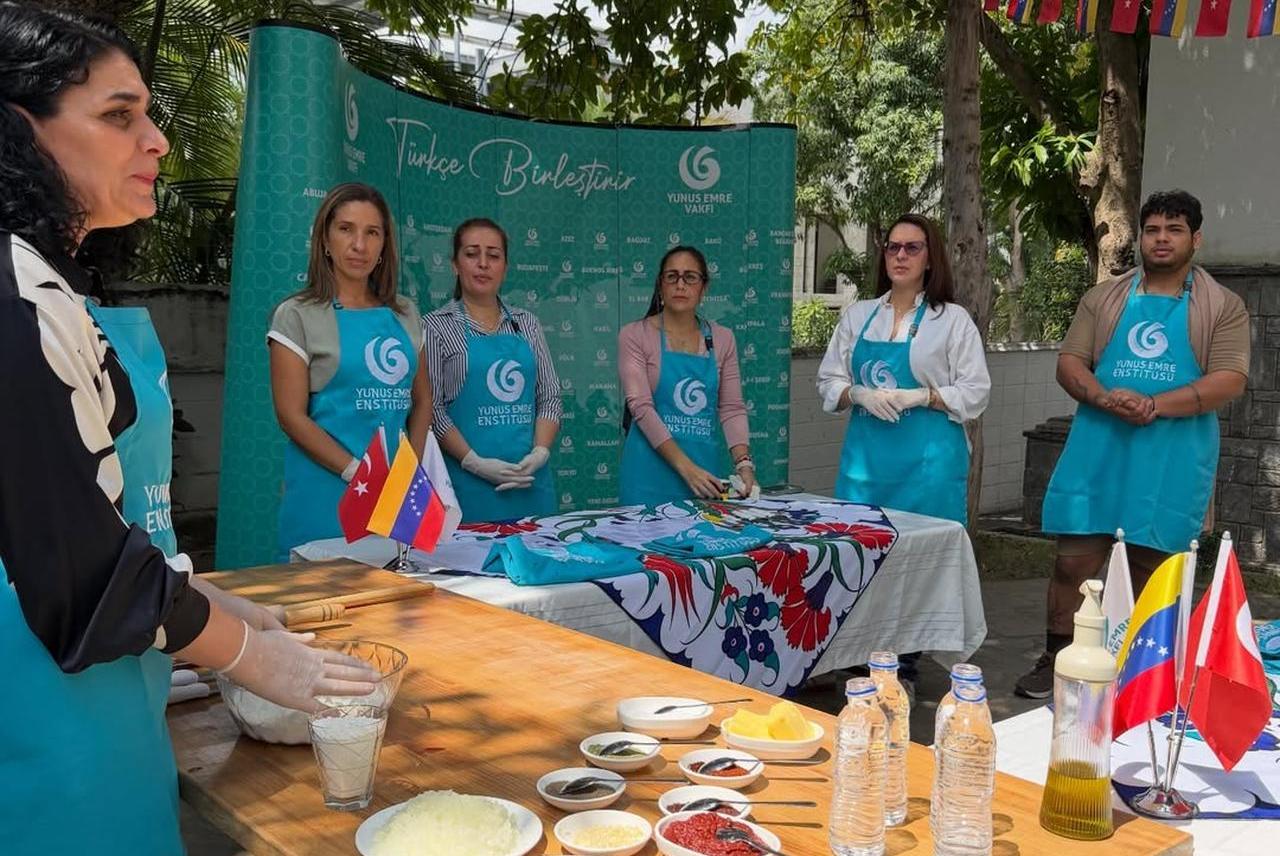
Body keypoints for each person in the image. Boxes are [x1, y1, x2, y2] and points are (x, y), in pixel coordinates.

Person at [0, 6, 376, 853]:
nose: (160, 141)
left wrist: (212, 603)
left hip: (108, 714)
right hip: (34, 740)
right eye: (118, 115)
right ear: (20, 133)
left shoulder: (49, 286)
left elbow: (100, 518)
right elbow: (78, 569)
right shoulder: (11, 291)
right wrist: (246, 649)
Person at [1016, 189, 1250, 698]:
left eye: (1175, 229)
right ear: (1140, 237)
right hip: (1099, 451)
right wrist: (1105, 397)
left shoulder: (1221, 306)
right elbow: (1070, 363)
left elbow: (1230, 378)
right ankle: (1057, 658)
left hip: (1171, 459)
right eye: (1152, 229)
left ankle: (1145, 675)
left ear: (1196, 238)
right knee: (1073, 563)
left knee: (1155, 567)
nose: (1162, 239)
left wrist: (1154, 404)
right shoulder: (1103, 299)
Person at [268, 182, 432, 559]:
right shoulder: (296, 315)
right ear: (325, 239)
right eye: (346, 229)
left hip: (395, 500)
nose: (359, 244)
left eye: (372, 232)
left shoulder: (405, 313)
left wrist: (412, 472)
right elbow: (291, 417)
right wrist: (358, 474)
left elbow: (423, 400)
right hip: (326, 497)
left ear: (383, 245)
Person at [817, 214, 990, 525]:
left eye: (912, 248)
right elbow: (828, 379)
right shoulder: (858, 316)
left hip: (930, 473)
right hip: (864, 470)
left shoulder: (952, 320)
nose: (900, 255)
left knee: (925, 566)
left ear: (930, 259)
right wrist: (856, 393)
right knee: (858, 560)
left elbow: (976, 391)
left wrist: (923, 396)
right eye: (892, 247)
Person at [424, 218, 560, 522]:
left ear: (505, 267)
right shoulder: (434, 326)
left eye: (493, 255)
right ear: (454, 265)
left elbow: (550, 397)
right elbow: (431, 409)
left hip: (529, 486)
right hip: (467, 489)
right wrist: (474, 463)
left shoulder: (528, 324)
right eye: (472, 254)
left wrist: (539, 454)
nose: (483, 264)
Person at [618, 245, 755, 506]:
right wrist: (686, 469)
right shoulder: (634, 335)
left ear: (704, 288)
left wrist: (744, 465)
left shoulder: (723, 338)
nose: (681, 285)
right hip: (647, 478)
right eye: (672, 276)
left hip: (705, 478)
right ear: (660, 285)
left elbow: (732, 408)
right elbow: (641, 408)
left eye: (690, 277)